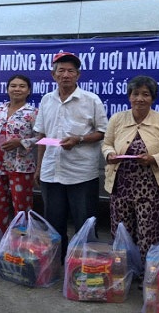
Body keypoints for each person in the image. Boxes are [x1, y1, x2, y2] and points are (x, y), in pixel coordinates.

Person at [102, 75, 159, 266]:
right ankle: (123, 270)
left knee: (149, 233)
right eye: (135, 93)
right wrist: (110, 154)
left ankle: (147, 273)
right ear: (129, 96)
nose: (139, 98)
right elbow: (106, 144)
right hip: (121, 186)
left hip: (151, 188)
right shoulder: (117, 119)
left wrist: (154, 159)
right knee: (122, 232)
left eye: (145, 94)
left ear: (153, 98)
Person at [34, 52, 108, 260]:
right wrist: (39, 167)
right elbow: (42, 135)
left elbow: (103, 132)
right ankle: (57, 262)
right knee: (53, 222)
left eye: (70, 71)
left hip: (81, 173)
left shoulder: (91, 100)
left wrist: (80, 139)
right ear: (53, 75)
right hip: (51, 171)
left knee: (85, 222)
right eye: (61, 71)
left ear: (78, 75)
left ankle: (84, 263)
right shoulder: (46, 100)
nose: (65, 75)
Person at [0, 74, 38, 233]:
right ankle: (0, 238)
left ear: (29, 91)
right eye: (13, 86)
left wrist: (21, 142)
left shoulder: (33, 112)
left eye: (22, 86)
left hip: (21, 166)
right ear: (7, 89)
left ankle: (20, 239)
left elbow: (41, 137)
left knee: (21, 206)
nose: (17, 89)